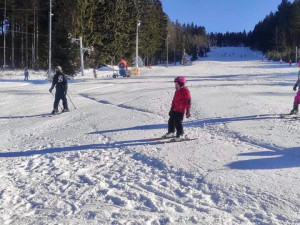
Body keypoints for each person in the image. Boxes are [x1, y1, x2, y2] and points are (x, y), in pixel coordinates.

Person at [163, 76, 191, 141]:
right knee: (171, 120)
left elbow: (188, 100)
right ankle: (171, 132)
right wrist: (171, 108)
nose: (175, 85)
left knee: (178, 122)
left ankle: (180, 134)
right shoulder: (177, 91)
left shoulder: (185, 90)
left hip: (181, 110)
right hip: (175, 109)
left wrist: (188, 110)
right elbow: (174, 100)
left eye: (177, 84)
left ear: (181, 84)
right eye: (175, 84)